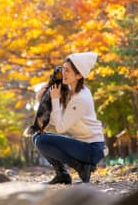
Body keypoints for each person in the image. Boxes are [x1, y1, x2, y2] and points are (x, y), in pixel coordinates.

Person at [32, 52, 105, 184]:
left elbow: (60, 128)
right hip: (83, 145)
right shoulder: (74, 91)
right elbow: (58, 120)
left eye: (68, 71)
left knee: (42, 140)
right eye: (63, 69)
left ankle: (81, 167)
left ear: (79, 75)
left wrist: (54, 99)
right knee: (37, 136)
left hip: (92, 149)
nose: (63, 74)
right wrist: (42, 99)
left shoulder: (80, 98)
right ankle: (62, 175)